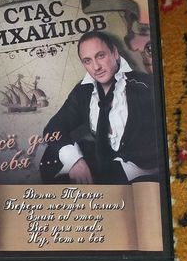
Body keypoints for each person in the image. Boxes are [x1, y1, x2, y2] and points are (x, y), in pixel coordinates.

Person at [39, 31, 158, 185]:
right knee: (50, 161)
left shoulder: (146, 86)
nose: (96, 67)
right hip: (107, 162)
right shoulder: (84, 91)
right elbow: (53, 129)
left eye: (100, 56)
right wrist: (75, 161)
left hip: (141, 169)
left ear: (115, 53)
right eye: (87, 61)